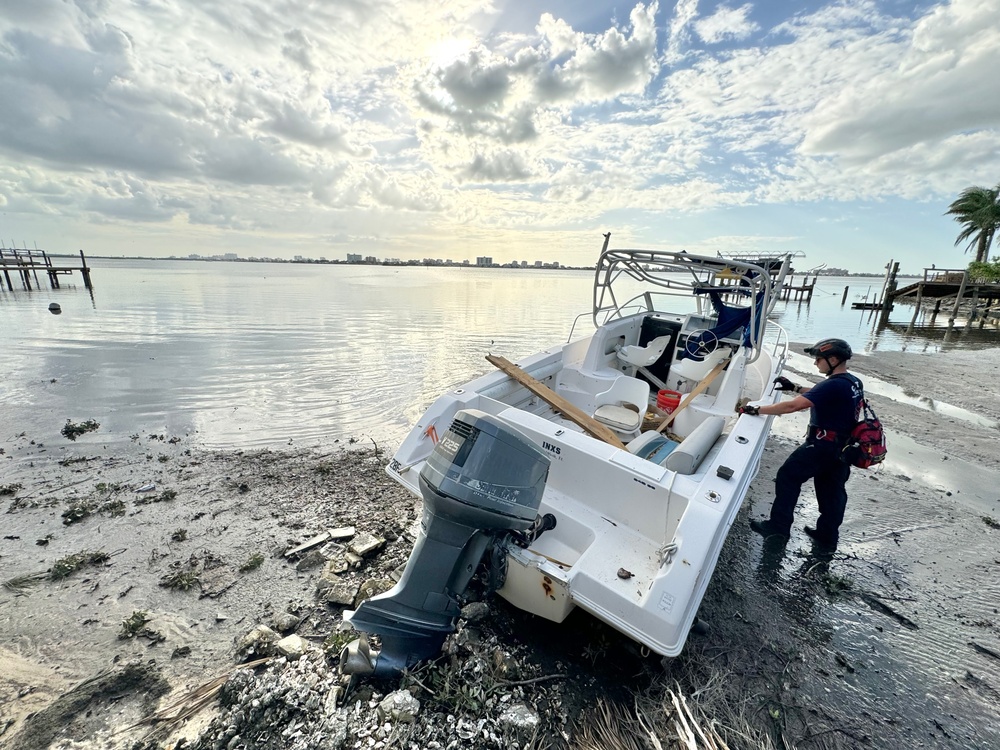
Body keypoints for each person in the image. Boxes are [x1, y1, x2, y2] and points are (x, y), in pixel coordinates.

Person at [739, 338, 863, 547]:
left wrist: (755, 409)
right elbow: (820, 394)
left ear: (833, 359)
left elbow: (792, 407)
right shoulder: (853, 382)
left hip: (822, 446)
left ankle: (778, 528)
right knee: (831, 491)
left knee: (788, 476)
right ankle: (827, 536)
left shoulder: (833, 384)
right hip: (842, 449)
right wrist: (795, 386)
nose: (816, 363)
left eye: (819, 359)